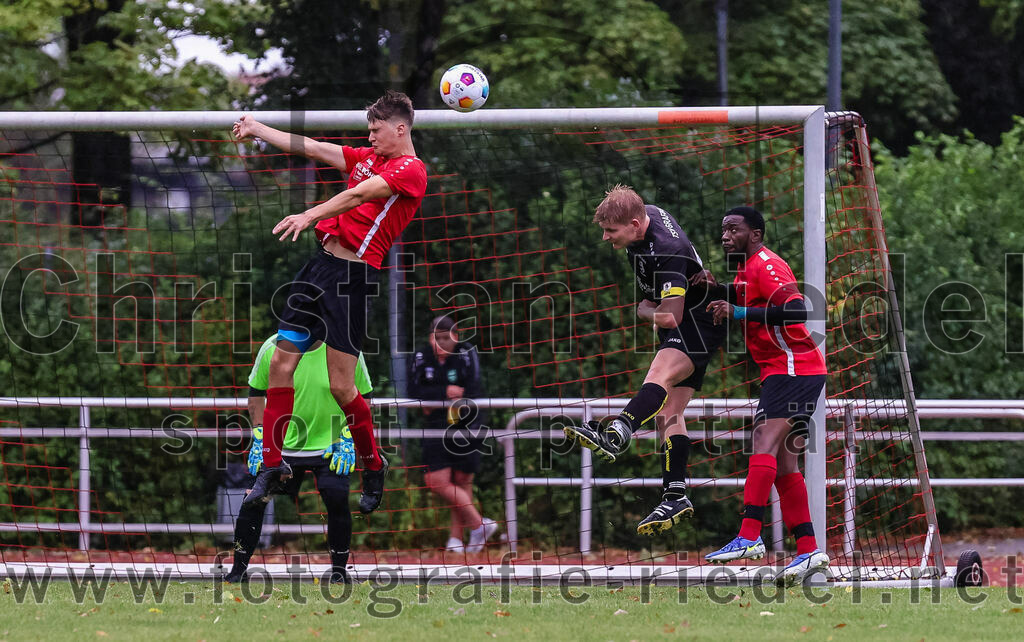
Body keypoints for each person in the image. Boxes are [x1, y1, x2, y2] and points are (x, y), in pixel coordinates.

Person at [232, 91, 427, 512]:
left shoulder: (412, 170)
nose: (370, 138)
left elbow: (359, 196)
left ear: (400, 128)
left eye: (376, 131)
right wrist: (257, 128)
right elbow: (314, 147)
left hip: (352, 279)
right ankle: (271, 465)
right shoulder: (365, 158)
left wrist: (309, 215)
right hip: (318, 269)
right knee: (282, 364)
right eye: (368, 132)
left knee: (342, 386)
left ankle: (373, 464)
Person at [564, 185, 727, 536]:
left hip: (694, 320)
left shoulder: (667, 252)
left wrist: (644, 310)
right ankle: (676, 494)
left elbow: (670, 316)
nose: (607, 237)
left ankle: (618, 432)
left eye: (612, 231)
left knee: (658, 373)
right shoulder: (643, 214)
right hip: (691, 315)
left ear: (636, 224)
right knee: (670, 414)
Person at [700, 206, 829, 587]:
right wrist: (716, 290)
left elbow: (796, 311)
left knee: (763, 440)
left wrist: (736, 310)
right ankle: (808, 550)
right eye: (722, 229)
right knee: (786, 464)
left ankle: (749, 535)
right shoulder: (745, 269)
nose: (725, 236)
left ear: (755, 234)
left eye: (734, 229)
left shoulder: (767, 264)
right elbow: (750, 299)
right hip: (786, 370)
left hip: (794, 367)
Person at [224, 333, 373, 584]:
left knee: (337, 499)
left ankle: (339, 573)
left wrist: (349, 434)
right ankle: (237, 572)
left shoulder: (345, 346)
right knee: (253, 501)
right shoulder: (272, 347)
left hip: (330, 444)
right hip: (280, 446)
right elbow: (256, 393)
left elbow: (365, 396)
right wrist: (261, 435)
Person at [409, 316, 497, 553]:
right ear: (430, 338)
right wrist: (443, 392)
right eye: (436, 338)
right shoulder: (420, 357)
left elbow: (473, 388)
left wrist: (445, 396)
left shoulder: (466, 353)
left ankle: (456, 540)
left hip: (467, 424)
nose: (441, 343)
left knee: (461, 482)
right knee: (436, 481)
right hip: (436, 426)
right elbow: (413, 390)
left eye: (446, 338)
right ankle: (479, 525)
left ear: (456, 337)